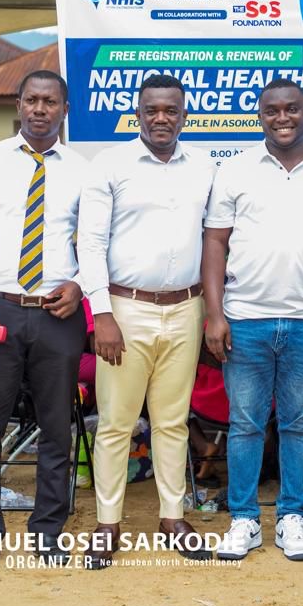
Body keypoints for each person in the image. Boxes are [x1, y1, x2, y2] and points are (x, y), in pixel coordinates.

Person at [205, 79, 303, 561]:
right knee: (246, 425)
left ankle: (293, 516)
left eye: (291, 109)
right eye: (272, 111)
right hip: (245, 318)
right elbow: (214, 243)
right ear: (260, 115)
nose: (282, 117)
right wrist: (214, 314)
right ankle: (245, 520)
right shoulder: (234, 171)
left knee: (299, 426)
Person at [77, 74, 216, 567]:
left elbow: (214, 238)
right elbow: (89, 244)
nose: (162, 118)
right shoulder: (110, 165)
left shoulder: (202, 167)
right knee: (116, 423)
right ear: (137, 113)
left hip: (186, 307)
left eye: (171, 110)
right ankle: (107, 523)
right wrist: (102, 315)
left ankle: (172, 516)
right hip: (125, 309)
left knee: (173, 421)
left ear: (184, 114)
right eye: (152, 110)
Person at [0, 70, 86, 569]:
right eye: (31, 99)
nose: (39, 109)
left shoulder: (82, 170)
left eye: (50, 102)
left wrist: (79, 286)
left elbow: (94, 241)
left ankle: (47, 531)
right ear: (18, 103)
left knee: (56, 429)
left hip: (59, 311)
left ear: (64, 110)